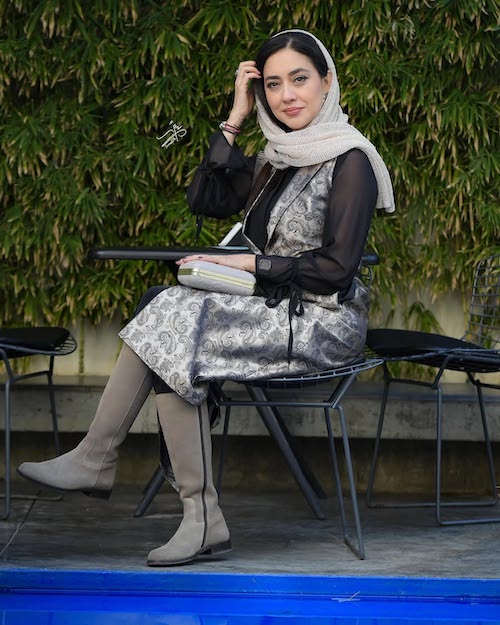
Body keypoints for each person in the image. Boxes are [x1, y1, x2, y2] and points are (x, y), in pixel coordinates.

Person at [17, 29, 395, 567]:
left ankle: (113, 466)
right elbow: (206, 197)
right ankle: (189, 513)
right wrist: (235, 118)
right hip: (274, 307)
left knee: (172, 317)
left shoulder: (351, 159)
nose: (286, 95)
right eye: (272, 85)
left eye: (299, 79)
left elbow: (336, 271)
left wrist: (248, 263)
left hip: (322, 320)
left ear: (327, 81)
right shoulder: (277, 158)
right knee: (171, 322)